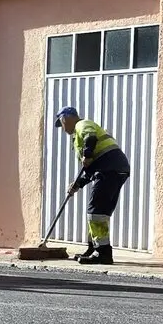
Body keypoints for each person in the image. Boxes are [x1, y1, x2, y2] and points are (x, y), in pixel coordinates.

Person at [54, 107, 131, 265]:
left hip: (109, 169)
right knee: (99, 211)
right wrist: (78, 184)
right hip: (113, 169)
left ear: (66, 118)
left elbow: (90, 137)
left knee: (95, 211)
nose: (63, 128)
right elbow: (90, 169)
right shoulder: (77, 137)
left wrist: (87, 154)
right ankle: (93, 248)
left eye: (62, 123)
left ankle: (102, 253)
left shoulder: (82, 125)